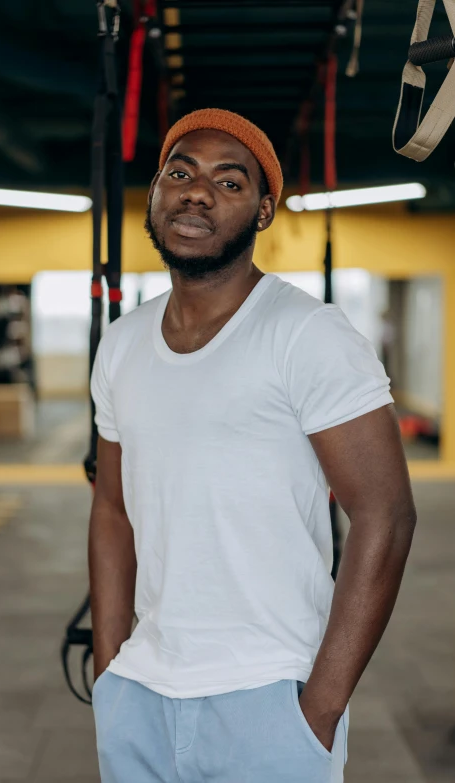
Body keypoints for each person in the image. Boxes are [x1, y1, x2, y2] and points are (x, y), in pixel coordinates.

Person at [89, 109, 416, 783]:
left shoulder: (307, 335)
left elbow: (386, 515)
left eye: (229, 182)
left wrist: (317, 709)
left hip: (269, 698)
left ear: (264, 212)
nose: (197, 191)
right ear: (154, 194)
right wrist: (109, 669)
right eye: (179, 172)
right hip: (140, 697)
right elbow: (112, 509)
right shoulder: (121, 344)